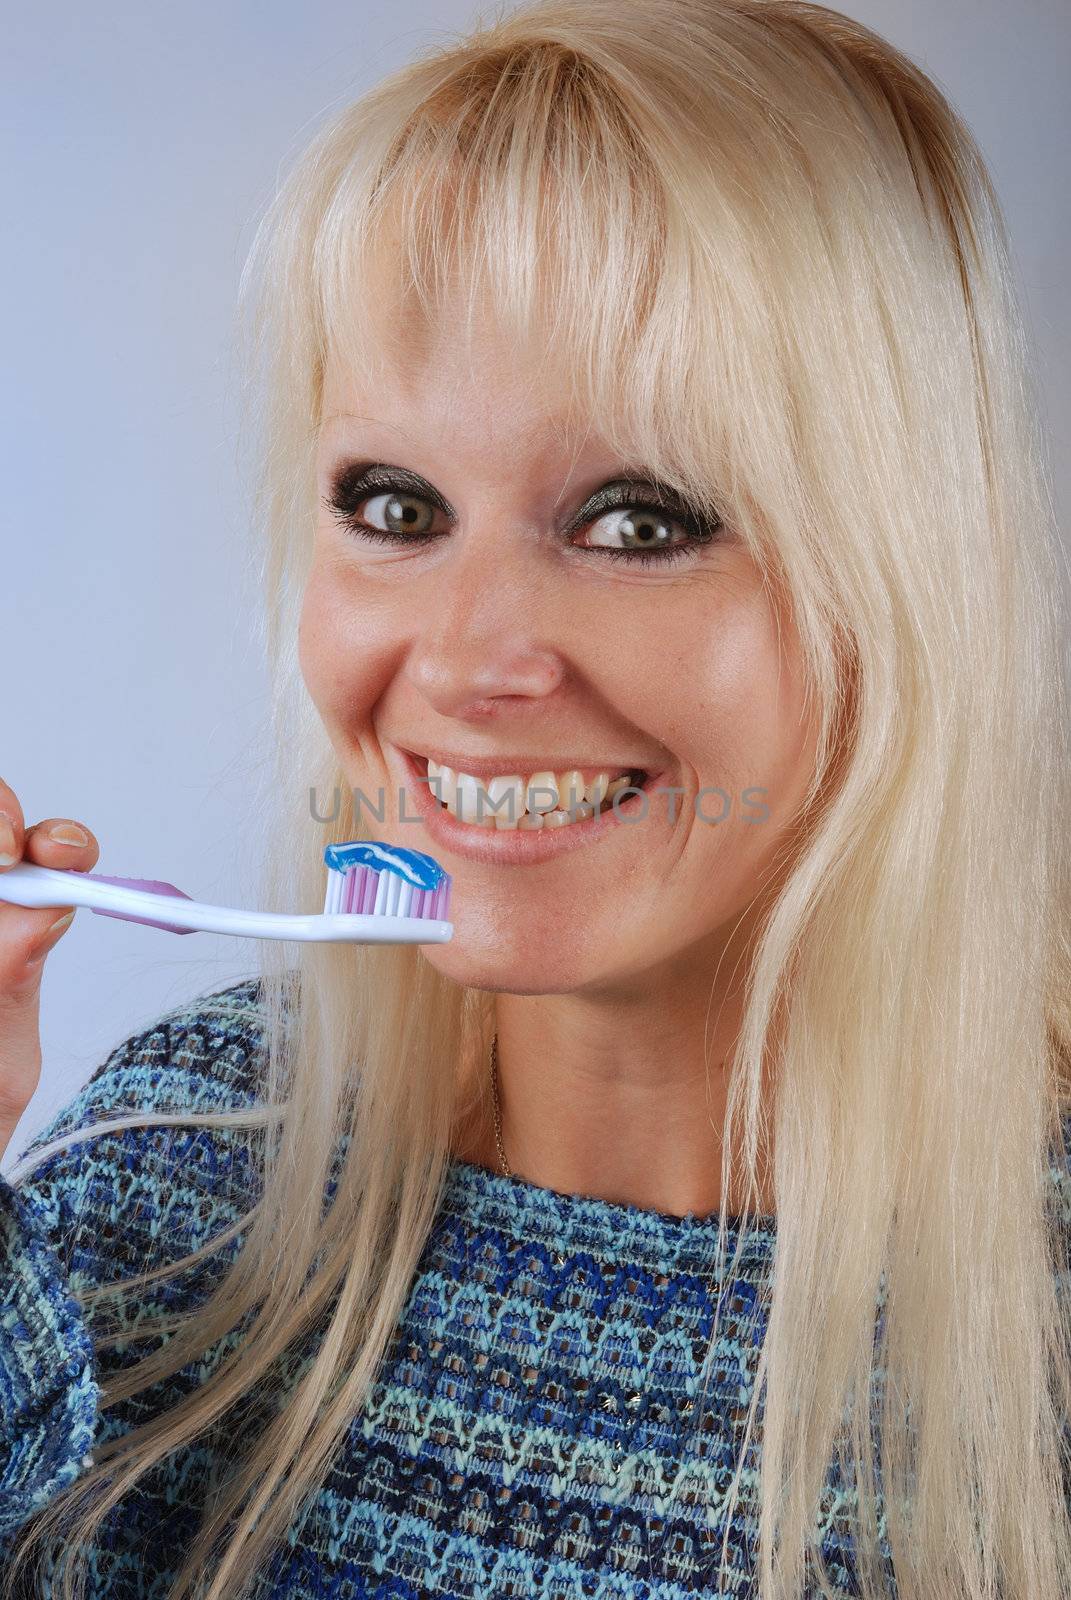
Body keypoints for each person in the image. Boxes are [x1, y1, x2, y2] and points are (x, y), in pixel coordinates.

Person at [2, 0, 1070, 1595]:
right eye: (395, 503)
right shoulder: (179, 1159)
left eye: (641, 520)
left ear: (904, 582)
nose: (466, 661)